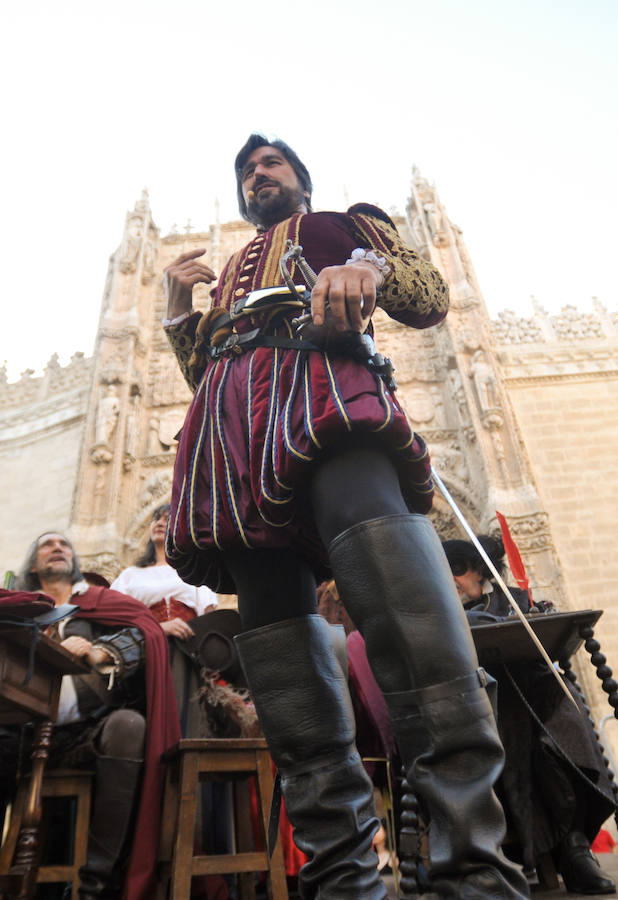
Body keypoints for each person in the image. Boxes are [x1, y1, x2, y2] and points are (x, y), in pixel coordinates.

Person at [162, 133, 529, 899]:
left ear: (300, 178)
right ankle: (341, 881)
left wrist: (364, 267)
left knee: (403, 607)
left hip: (328, 392)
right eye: (245, 171)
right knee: (274, 631)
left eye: (271, 164)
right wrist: (178, 309)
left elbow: (426, 298)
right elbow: (207, 371)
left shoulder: (346, 222)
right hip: (235, 431)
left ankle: (473, 874)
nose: (257, 175)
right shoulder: (231, 267)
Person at [2, 531, 180, 899]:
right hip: (18, 735)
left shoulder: (101, 602)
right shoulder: (17, 608)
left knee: (129, 726)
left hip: (82, 733)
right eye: (46, 544)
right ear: (34, 565)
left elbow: (143, 632)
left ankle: (93, 887)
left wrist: (103, 651)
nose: (56, 548)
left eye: (64, 545)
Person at [442, 536, 617, 895]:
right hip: (485, 710)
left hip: (538, 699)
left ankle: (574, 845)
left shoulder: (518, 600)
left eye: (458, 571)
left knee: (558, 713)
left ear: (475, 568)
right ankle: (570, 847)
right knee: (524, 730)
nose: (454, 581)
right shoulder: (447, 612)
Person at [111, 503, 218, 735]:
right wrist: (159, 629)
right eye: (156, 519)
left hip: (191, 650)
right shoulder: (130, 576)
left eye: (167, 519)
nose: (159, 523)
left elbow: (211, 620)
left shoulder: (195, 573)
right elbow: (115, 621)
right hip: (146, 648)